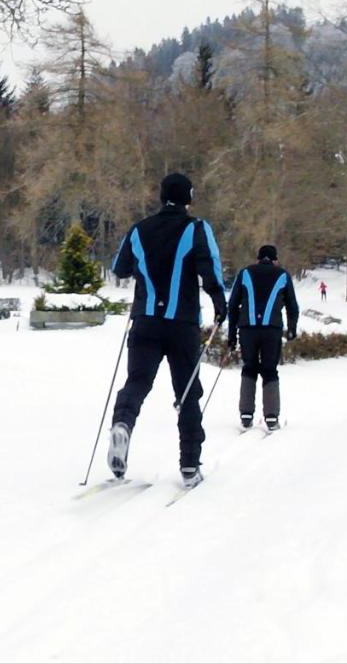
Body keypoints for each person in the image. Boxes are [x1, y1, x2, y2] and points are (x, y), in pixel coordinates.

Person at [108, 173, 228, 488]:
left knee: (136, 383)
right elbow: (210, 269)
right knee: (187, 392)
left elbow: (119, 268)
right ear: (188, 197)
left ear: (162, 197)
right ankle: (189, 465)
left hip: (145, 322)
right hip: (182, 324)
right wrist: (220, 303)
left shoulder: (138, 230)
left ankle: (122, 425)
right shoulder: (197, 229)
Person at [227, 245, 299, 432]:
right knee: (269, 370)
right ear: (274, 259)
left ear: (258, 258)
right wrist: (292, 329)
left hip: (247, 329)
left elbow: (233, 305)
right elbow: (292, 306)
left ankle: (246, 414)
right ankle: (272, 416)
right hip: (271, 329)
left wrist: (231, 336)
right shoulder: (282, 275)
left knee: (249, 368)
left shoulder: (244, 273)